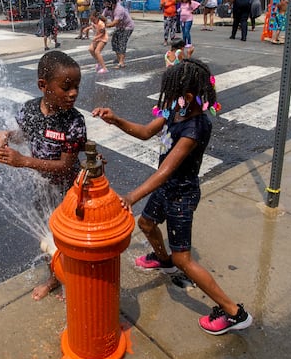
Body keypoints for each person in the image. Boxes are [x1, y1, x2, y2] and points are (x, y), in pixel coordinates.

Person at [91, 59, 253, 335]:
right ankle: (163, 260)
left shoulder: (195, 128)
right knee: (146, 224)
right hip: (167, 189)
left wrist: (131, 196)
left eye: (172, 93)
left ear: (188, 96)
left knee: (184, 260)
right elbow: (144, 133)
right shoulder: (174, 113)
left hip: (181, 194)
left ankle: (235, 313)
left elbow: (166, 171)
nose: (166, 98)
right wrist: (115, 119)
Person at [0, 51, 86, 300]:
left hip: (70, 190)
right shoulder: (30, 110)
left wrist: (24, 161)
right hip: (42, 189)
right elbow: (24, 137)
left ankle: (72, 279)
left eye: (76, 86)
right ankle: (54, 277)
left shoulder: (74, 122)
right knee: (45, 236)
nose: (73, 92)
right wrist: (6, 136)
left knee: (70, 239)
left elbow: (65, 165)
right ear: (43, 86)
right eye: (66, 87)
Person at [103, 0, 134, 69]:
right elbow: (102, 16)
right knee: (114, 41)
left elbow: (114, 23)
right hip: (119, 27)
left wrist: (104, 26)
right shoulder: (108, 8)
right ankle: (118, 58)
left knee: (122, 43)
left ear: (110, 2)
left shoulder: (119, 9)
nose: (104, 4)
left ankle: (121, 62)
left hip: (127, 27)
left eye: (105, 2)